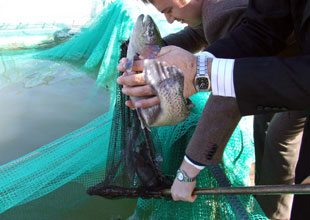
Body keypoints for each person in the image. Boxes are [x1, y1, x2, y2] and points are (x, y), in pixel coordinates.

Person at [117, 0, 310, 219]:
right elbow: (201, 34)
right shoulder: (208, 11)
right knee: (264, 127)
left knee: (280, 139)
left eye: (169, 10)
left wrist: (189, 170)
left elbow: (228, 97)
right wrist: (155, 55)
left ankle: (273, 212)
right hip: (275, 71)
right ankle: (269, 201)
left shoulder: (221, 11)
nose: (168, 19)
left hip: (295, 78)